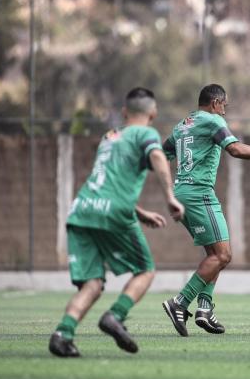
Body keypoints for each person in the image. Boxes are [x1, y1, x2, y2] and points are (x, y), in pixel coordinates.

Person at [48, 87, 183, 357]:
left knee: (93, 284)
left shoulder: (109, 137)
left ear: (124, 112)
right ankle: (116, 316)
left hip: (82, 210)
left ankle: (63, 334)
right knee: (145, 269)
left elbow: (109, 183)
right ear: (153, 113)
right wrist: (169, 196)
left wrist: (141, 212)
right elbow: (157, 155)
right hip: (112, 212)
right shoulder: (146, 133)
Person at [161, 84, 250, 337]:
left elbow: (163, 152)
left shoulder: (182, 125)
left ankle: (204, 309)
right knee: (224, 256)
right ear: (215, 103)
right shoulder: (213, 121)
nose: (224, 112)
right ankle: (179, 303)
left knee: (213, 255)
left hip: (182, 193)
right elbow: (234, 149)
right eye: (224, 105)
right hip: (199, 194)